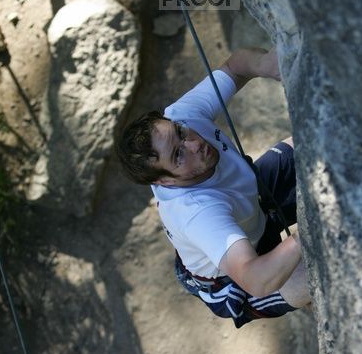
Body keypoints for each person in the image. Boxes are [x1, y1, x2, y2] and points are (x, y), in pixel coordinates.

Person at [117, 46, 311, 328]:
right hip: (236, 274)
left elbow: (235, 66)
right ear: (165, 181)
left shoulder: (181, 116)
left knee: (312, 140)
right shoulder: (198, 214)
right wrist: (308, 232)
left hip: (251, 201)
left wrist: (266, 64)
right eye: (178, 155)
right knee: (314, 270)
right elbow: (255, 278)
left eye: (181, 134)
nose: (194, 144)